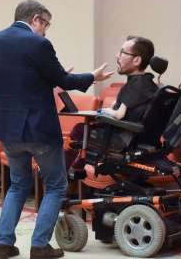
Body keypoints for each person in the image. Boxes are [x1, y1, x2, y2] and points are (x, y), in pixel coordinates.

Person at [0, 0, 113, 259]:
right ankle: (39, 246)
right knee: (56, 185)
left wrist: (50, 76)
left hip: (7, 128)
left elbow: (20, 80)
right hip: (37, 129)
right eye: (46, 24)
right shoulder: (39, 42)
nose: (46, 30)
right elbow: (65, 80)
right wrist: (92, 77)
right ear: (35, 19)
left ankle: (4, 244)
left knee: (18, 185)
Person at [65, 35, 157, 171]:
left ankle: (63, 172)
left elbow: (119, 115)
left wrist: (107, 111)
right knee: (91, 126)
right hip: (138, 140)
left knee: (79, 130)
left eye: (122, 52)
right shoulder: (150, 84)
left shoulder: (134, 84)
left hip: (122, 141)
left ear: (137, 60)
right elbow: (134, 105)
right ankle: (76, 166)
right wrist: (115, 104)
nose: (117, 56)